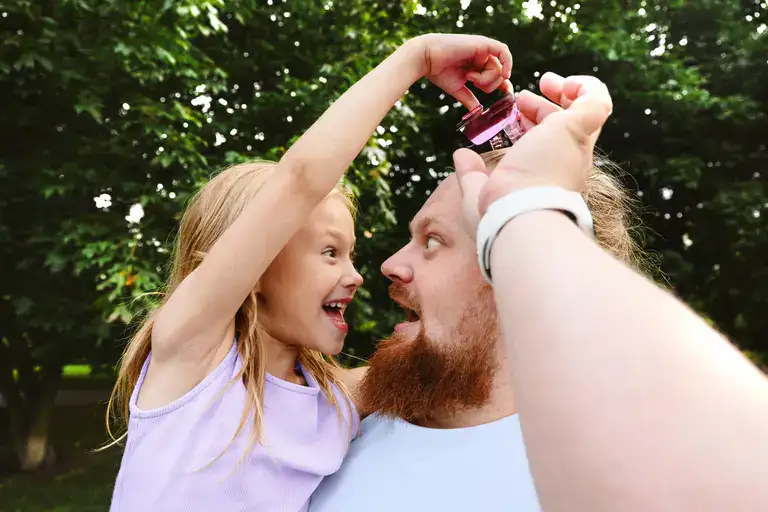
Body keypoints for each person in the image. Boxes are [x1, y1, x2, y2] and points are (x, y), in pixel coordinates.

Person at [310, 71, 768, 511]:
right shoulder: (334, 427)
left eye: (433, 242)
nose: (390, 265)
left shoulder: (608, 467)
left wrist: (525, 208)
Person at [106, 33, 515, 512]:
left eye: (349, 254)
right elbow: (300, 180)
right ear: (256, 265)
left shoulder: (330, 399)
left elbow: (461, 364)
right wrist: (415, 59)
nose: (357, 275)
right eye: (329, 252)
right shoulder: (193, 362)